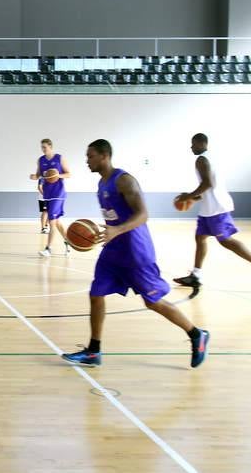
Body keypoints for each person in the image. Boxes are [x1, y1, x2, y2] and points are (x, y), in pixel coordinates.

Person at [62, 139, 210, 369]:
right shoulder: (102, 183)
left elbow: (143, 215)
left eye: (90, 156)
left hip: (135, 252)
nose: (86, 160)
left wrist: (118, 230)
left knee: (153, 302)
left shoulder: (124, 180)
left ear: (104, 156)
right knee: (95, 293)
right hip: (113, 251)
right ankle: (94, 350)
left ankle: (196, 334)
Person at [173, 133, 251, 294]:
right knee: (200, 238)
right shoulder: (211, 158)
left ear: (202, 144)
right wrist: (195, 198)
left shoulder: (201, 159)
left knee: (226, 241)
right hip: (208, 209)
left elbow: (207, 183)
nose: (192, 147)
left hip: (217, 208)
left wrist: (188, 196)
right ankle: (196, 275)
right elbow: (210, 185)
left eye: (194, 144)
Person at [29, 139, 70, 256]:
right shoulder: (40, 160)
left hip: (58, 194)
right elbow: (39, 175)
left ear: (51, 147)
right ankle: (68, 241)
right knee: (56, 222)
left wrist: (58, 175)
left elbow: (69, 173)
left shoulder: (59, 158)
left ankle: (48, 249)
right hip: (47, 194)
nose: (43, 149)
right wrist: (34, 177)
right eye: (42, 147)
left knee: (51, 221)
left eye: (45, 147)